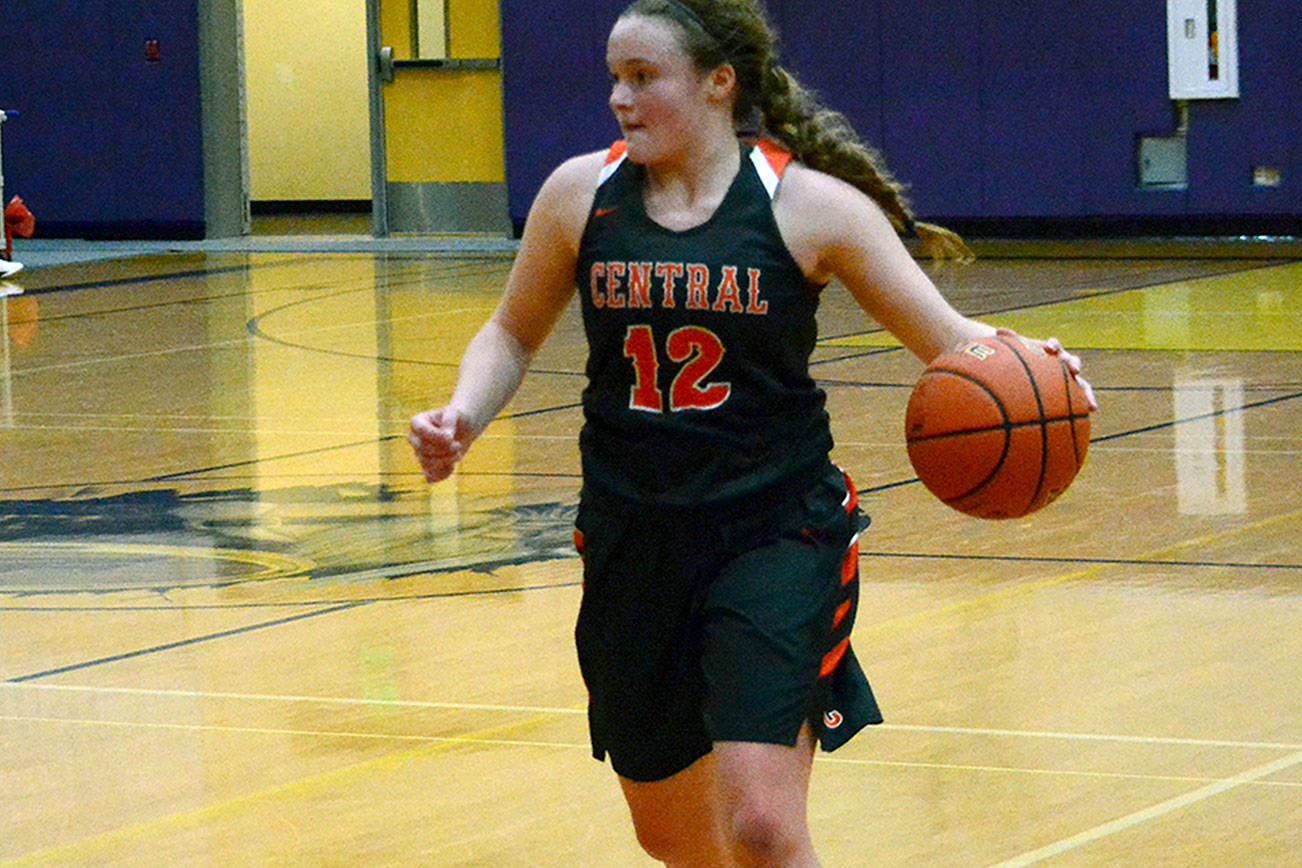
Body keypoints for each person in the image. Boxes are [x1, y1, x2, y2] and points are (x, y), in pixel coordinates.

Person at [410, 1, 1097, 864]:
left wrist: (1042, 366)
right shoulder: (578, 196)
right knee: (674, 839)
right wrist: (464, 413)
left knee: (765, 828)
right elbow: (511, 331)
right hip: (633, 537)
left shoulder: (811, 208)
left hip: (775, 534)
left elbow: (952, 339)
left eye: (643, 78)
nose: (620, 99)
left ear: (718, 84)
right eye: (615, 80)